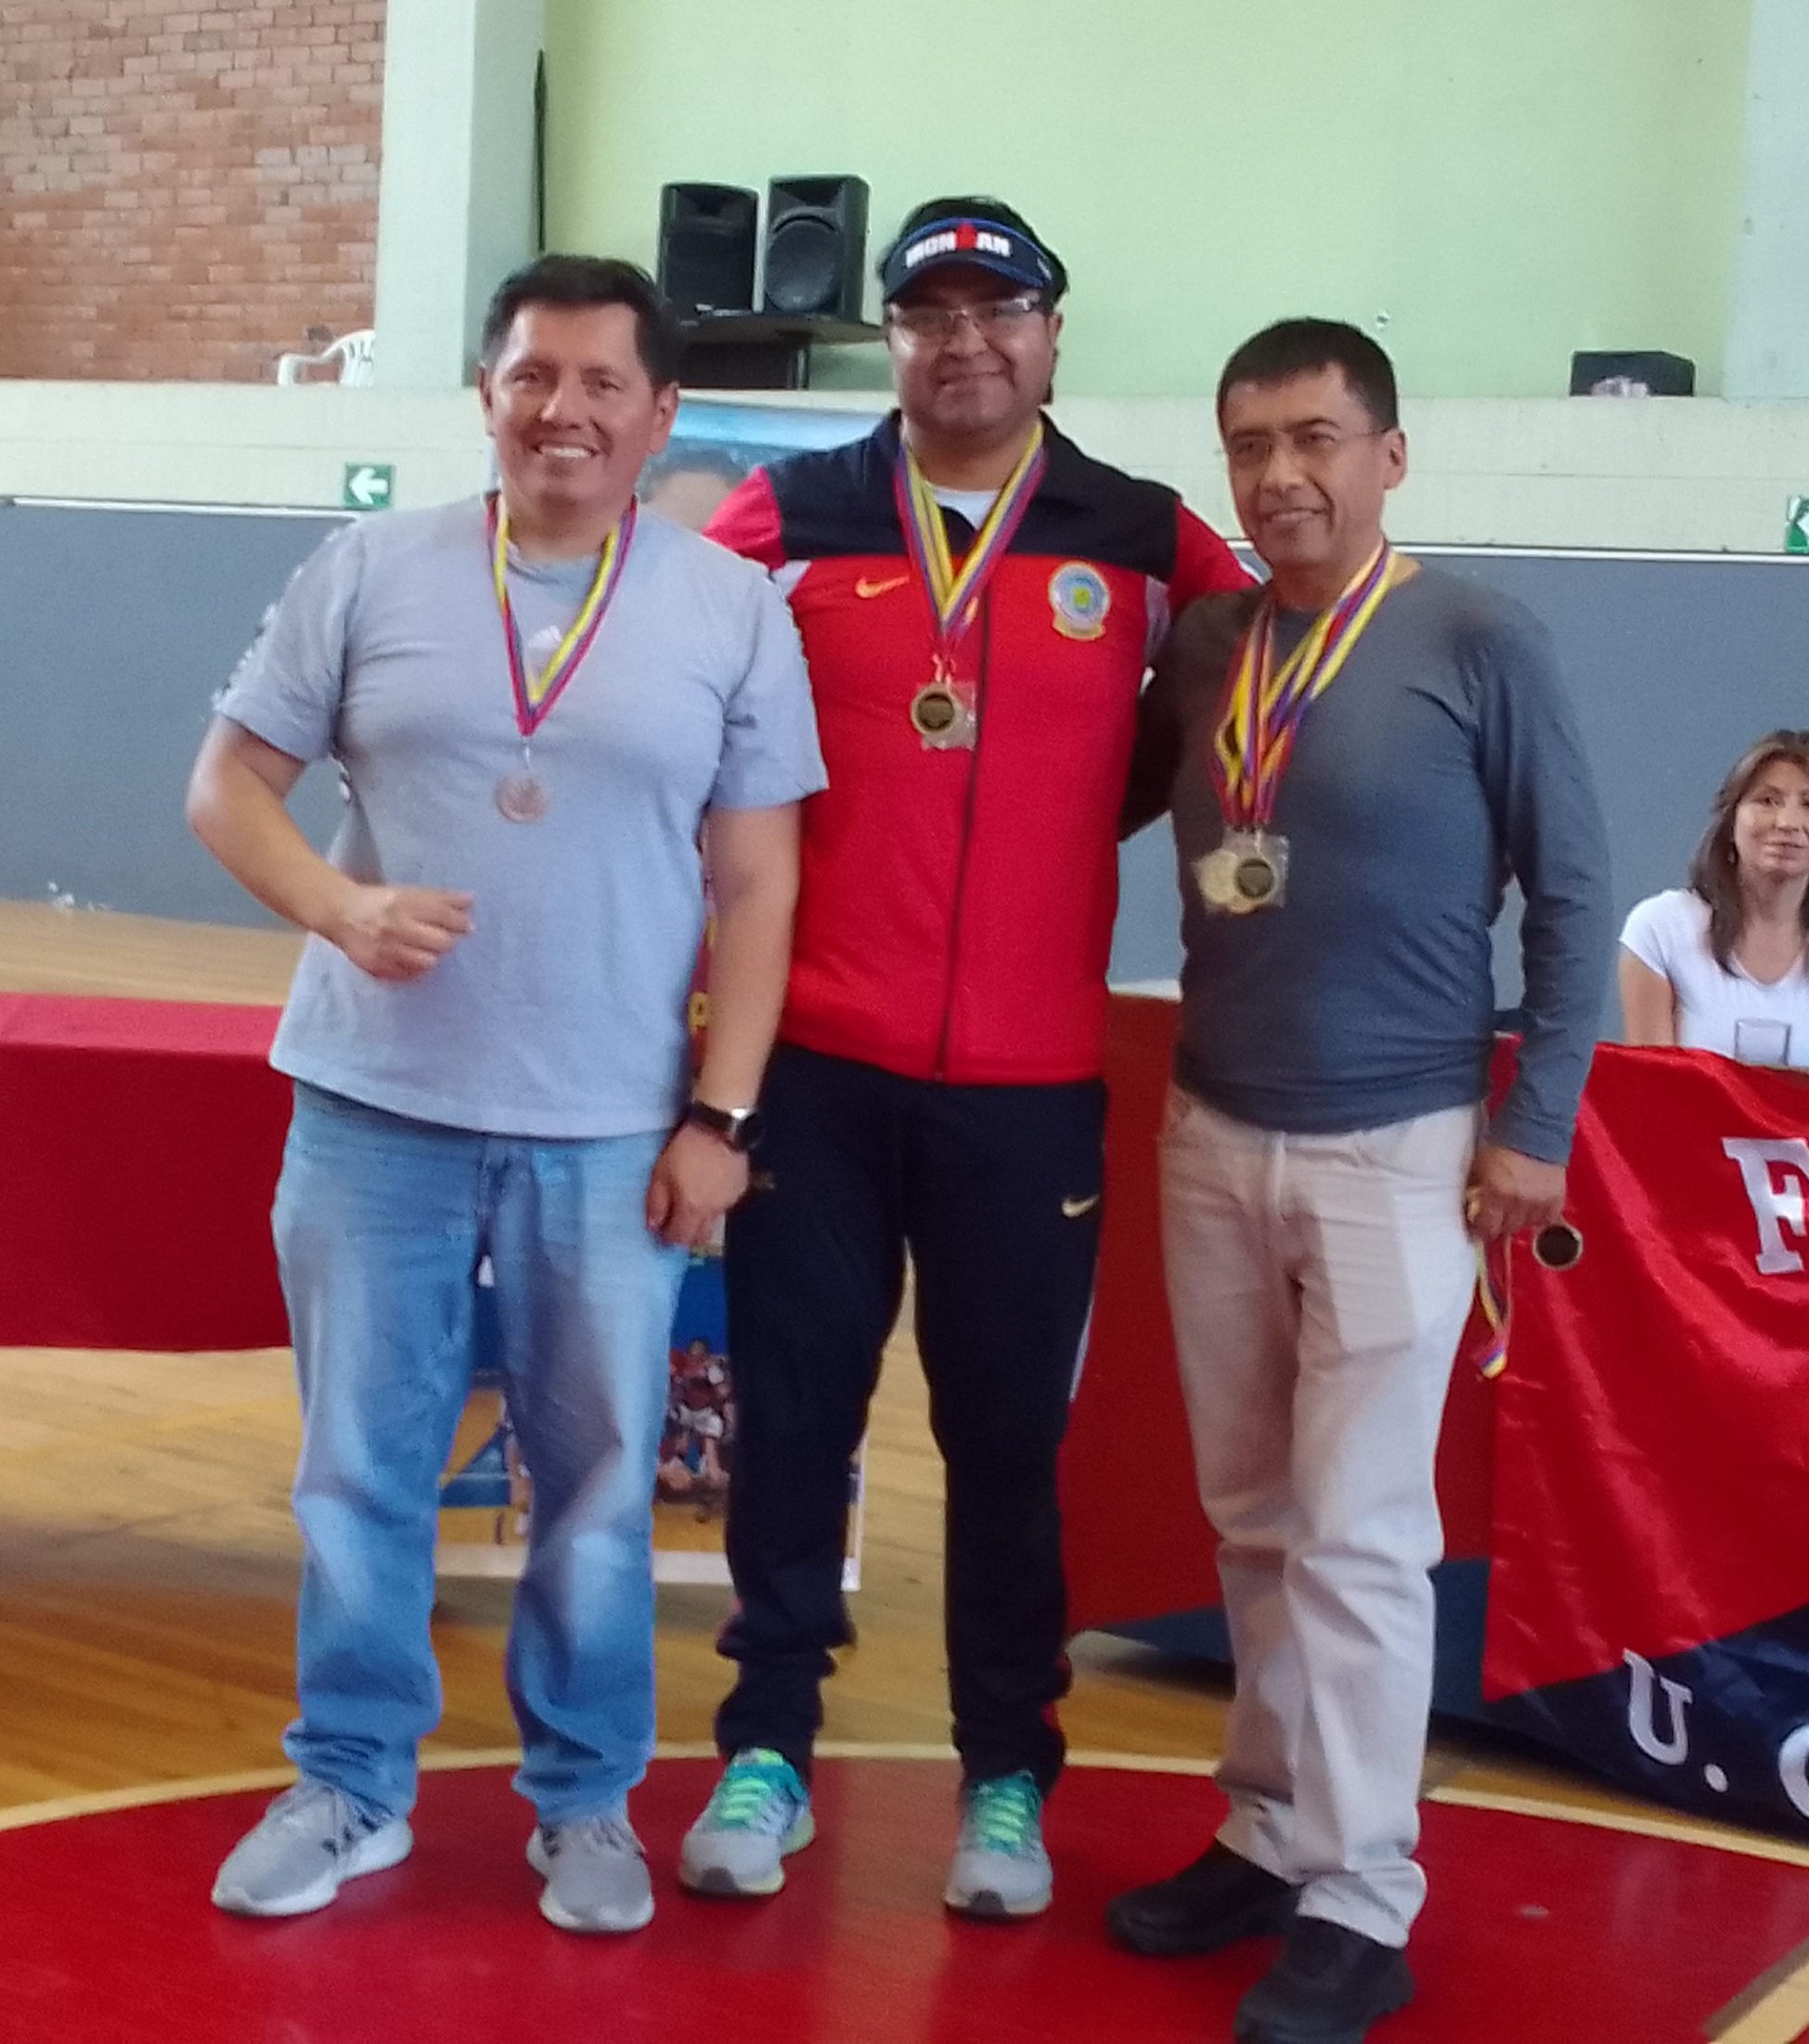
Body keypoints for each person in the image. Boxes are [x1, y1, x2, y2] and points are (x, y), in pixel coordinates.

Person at [188, 254, 823, 1935]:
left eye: (605, 382)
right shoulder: (369, 569)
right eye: (535, 375)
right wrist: (340, 907)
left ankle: (587, 1800)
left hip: (610, 1127)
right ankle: (350, 1782)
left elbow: (760, 881)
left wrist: (723, 1115)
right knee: (359, 1471)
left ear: (660, 413)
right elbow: (226, 786)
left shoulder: (730, 608)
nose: (566, 410)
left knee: (598, 1486)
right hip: (372, 1108)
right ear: (488, 393)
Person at [681, 196, 1249, 1918]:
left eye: (1000, 311)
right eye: (931, 313)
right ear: (894, 342)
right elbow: (652, 660)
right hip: (815, 1069)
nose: (966, 340)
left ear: (1052, 338)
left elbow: (1279, 660)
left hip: (1028, 1087)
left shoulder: (1141, 534)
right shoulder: (790, 512)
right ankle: (767, 1746)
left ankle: (1006, 1773)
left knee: (1006, 1445)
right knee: (795, 1422)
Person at [1105, 319, 1612, 2044]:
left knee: (1364, 1533)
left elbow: (1573, 893)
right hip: (1212, 1128)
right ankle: (1269, 1828)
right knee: (1253, 1515)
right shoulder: (1206, 646)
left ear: (1390, 454)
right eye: (1249, 445)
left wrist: (1536, 1123)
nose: (1280, 476)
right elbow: (1080, 801)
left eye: (1315, 438)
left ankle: (1362, 1892)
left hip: (1401, 1149)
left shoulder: (1478, 638)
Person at [1617, 730, 1809, 1075]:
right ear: (1731, 822)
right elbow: (1652, 1090)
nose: (1788, 823)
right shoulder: (1660, 930)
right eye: (1767, 800)